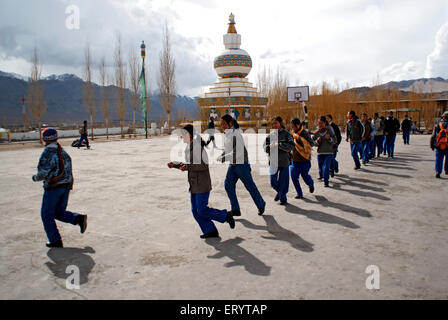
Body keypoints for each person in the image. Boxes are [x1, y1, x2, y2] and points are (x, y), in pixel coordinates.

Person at [168, 125, 235, 238]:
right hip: (194, 184)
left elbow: (203, 165)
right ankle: (210, 230)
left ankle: (225, 216)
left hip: (202, 184)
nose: (181, 136)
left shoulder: (198, 147)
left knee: (202, 210)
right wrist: (175, 165)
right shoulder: (189, 147)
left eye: (183, 134)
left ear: (189, 134)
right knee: (195, 210)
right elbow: (189, 164)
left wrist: (187, 167)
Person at [32, 128, 88, 248]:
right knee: (58, 212)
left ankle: (55, 240)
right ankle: (78, 218)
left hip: (54, 188)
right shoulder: (61, 151)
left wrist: (35, 178)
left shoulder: (48, 152)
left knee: (47, 214)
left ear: (44, 139)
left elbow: (43, 173)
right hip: (66, 186)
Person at [218, 114, 266, 216]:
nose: (222, 126)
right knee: (228, 185)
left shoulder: (236, 134)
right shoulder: (227, 134)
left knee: (249, 186)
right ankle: (235, 209)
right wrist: (223, 154)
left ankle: (261, 204)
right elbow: (228, 149)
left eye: (224, 124)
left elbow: (238, 152)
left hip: (242, 165)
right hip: (233, 164)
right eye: (221, 124)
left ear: (230, 123)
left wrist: (225, 157)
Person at [264, 116, 295, 205]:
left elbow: (291, 146)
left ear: (280, 123)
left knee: (283, 182)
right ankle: (280, 193)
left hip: (284, 161)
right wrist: (269, 147)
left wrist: (279, 144)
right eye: (273, 123)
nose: (274, 125)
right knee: (273, 182)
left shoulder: (287, 134)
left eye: (276, 123)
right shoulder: (270, 136)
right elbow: (265, 148)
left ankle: (283, 198)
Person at [290, 118, 315, 199]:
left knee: (305, 176)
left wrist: (300, 140)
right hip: (294, 160)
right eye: (292, 126)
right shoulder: (292, 133)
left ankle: (310, 184)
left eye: (294, 126)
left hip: (304, 160)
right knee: (294, 177)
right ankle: (299, 193)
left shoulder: (304, 133)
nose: (292, 128)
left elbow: (312, 143)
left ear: (298, 125)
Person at [313, 116, 337, 187]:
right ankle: (321, 175)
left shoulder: (329, 130)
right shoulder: (317, 131)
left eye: (321, 123)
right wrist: (317, 141)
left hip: (328, 152)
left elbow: (335, 140)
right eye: (318, 123)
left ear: (324, 123)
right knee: (320, 167)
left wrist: (329, 138)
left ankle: (326, 182)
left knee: (326, 167)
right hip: (320, 153)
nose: (319, 125)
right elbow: (312, 142)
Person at [430, 111, 448, 179]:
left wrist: (432, 145)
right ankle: (447, 170)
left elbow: (433, 135)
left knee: (438, 159)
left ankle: (438, 171)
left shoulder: (438, 124)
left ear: (443, 116)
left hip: (439, 145)